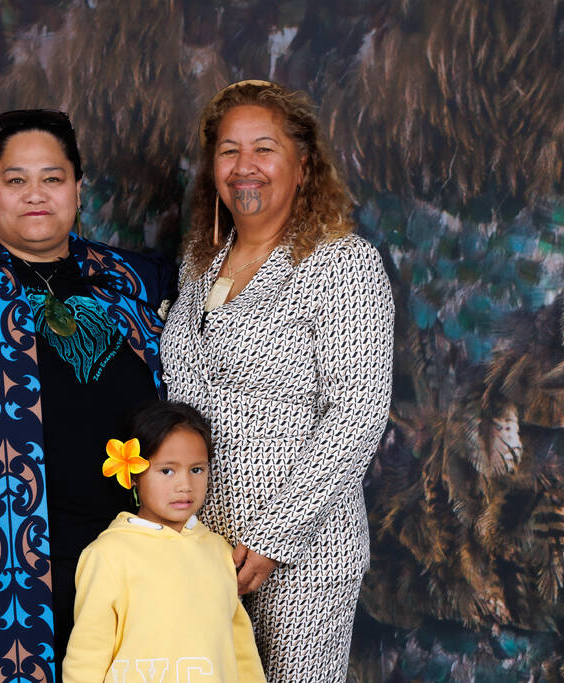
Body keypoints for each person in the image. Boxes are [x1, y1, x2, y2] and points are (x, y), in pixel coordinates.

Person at [0, 109, 175, 682]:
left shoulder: (135, 278)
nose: (35, 195)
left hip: (130, 550)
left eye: (52, 178)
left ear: (78, 187)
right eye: (15, 180)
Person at [160, 80, 394, 682]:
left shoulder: (343, 264)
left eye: (264, 149)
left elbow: (357, 414)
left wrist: (273, 537)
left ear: (303, 163)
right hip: (205, 546)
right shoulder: (199, 261)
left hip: (304, 555)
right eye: (228, 150)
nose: (245, 167)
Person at [63, 400, 266, 683]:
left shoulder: (219, 551)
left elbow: (241, 649)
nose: (184, 485)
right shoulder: (108, 554)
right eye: (167, 471)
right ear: (134, 475)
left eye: (197, 470)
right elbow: (87, 656)